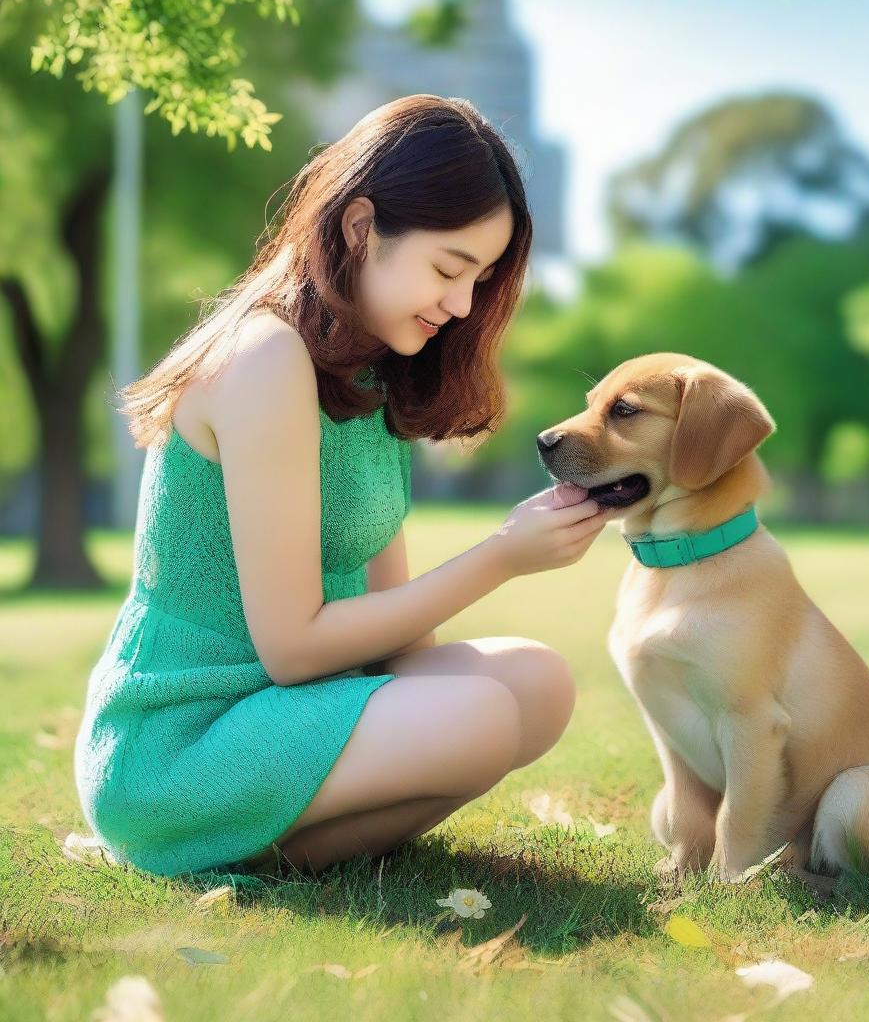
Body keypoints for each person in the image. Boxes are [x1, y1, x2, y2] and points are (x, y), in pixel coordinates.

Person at [73, 94, 615, 879]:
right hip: (181, 742)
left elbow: (392, 645)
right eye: (447, 269)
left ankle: (279, 849)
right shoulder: (265, 358)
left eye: (481, 279)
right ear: (361, 227)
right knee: (481, 715)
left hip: (286, 715)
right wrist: (502, 555)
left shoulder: (367, 374)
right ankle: (210, 848)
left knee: (535, 683)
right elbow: (294, 649)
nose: (462, 307)